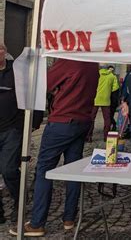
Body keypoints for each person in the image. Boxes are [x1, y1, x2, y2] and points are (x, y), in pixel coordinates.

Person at [12, 59, 99, 237]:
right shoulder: (92, 63)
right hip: (82, 120)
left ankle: (37, 222)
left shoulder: (68, 60)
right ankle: (69, 218)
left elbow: (44, 84)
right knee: (73, 170)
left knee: (44, 169)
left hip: (62, 121)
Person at [0, 43, 23, 226]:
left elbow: (28, 95)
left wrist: (28, 124)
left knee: (8, 169)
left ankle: (19, 201)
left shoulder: (16, 71)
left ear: (4, 51)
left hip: (11, 130)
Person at [88, 64, 119, 141]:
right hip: (106, 100)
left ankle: (89, 136)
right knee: (107, 119)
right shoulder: (112, 76)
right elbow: (115, 88)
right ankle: (106, 137)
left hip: (95, 99)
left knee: (91, 118)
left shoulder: (95, 75)